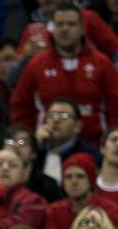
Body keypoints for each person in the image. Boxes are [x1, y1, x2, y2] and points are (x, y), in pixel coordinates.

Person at [10, 4, 118, 147]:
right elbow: (20, 109)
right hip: (47, 148)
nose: (65, 29)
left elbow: (115, 108)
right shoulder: (36, 66)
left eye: (71, 24)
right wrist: (26, 143)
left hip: (95, 149)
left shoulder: (102, 65)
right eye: (59, 24)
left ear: (81, 29)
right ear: (52, 29)